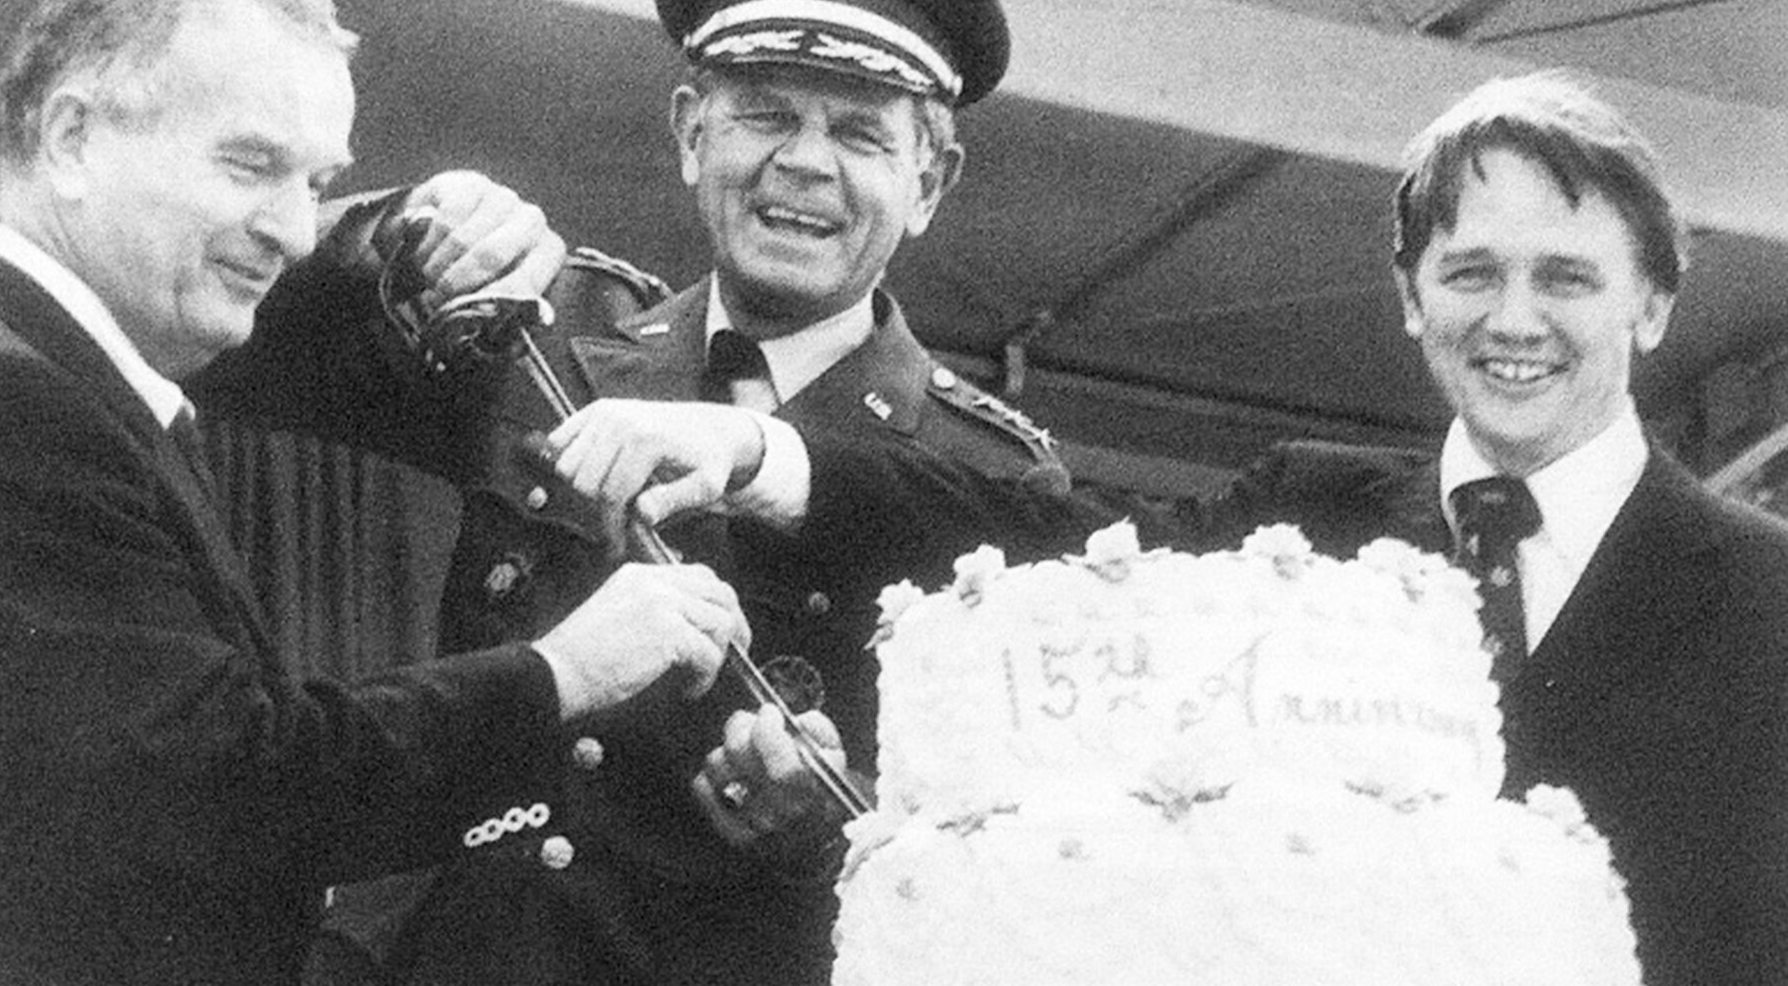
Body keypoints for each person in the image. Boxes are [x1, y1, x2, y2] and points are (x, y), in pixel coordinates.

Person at [557, 69, 1788, 986]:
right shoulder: (1307, 513)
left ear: (1653, 303)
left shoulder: (1766, 600)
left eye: (1564, 276)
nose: (1512, 318)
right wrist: (757, 450)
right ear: (1411, 301)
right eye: (1469, 273)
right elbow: (1047, 535)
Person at [0, 0, 753, 986]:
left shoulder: (15, 375)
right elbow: (222, 792)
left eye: (317, 181)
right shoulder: (0, 405)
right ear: (70, 137)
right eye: (249, 164)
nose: (290, 229)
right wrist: (565, 671)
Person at [290, 0, 1066, 983]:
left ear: (928, 183)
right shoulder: (547, 325)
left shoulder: (988, 477)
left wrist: (817, 828)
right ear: (690, 131)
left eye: (857, 134)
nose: (803, 165)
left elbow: (994, 877)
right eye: (763, 116)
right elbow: (251, 340)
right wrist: (401, 229)